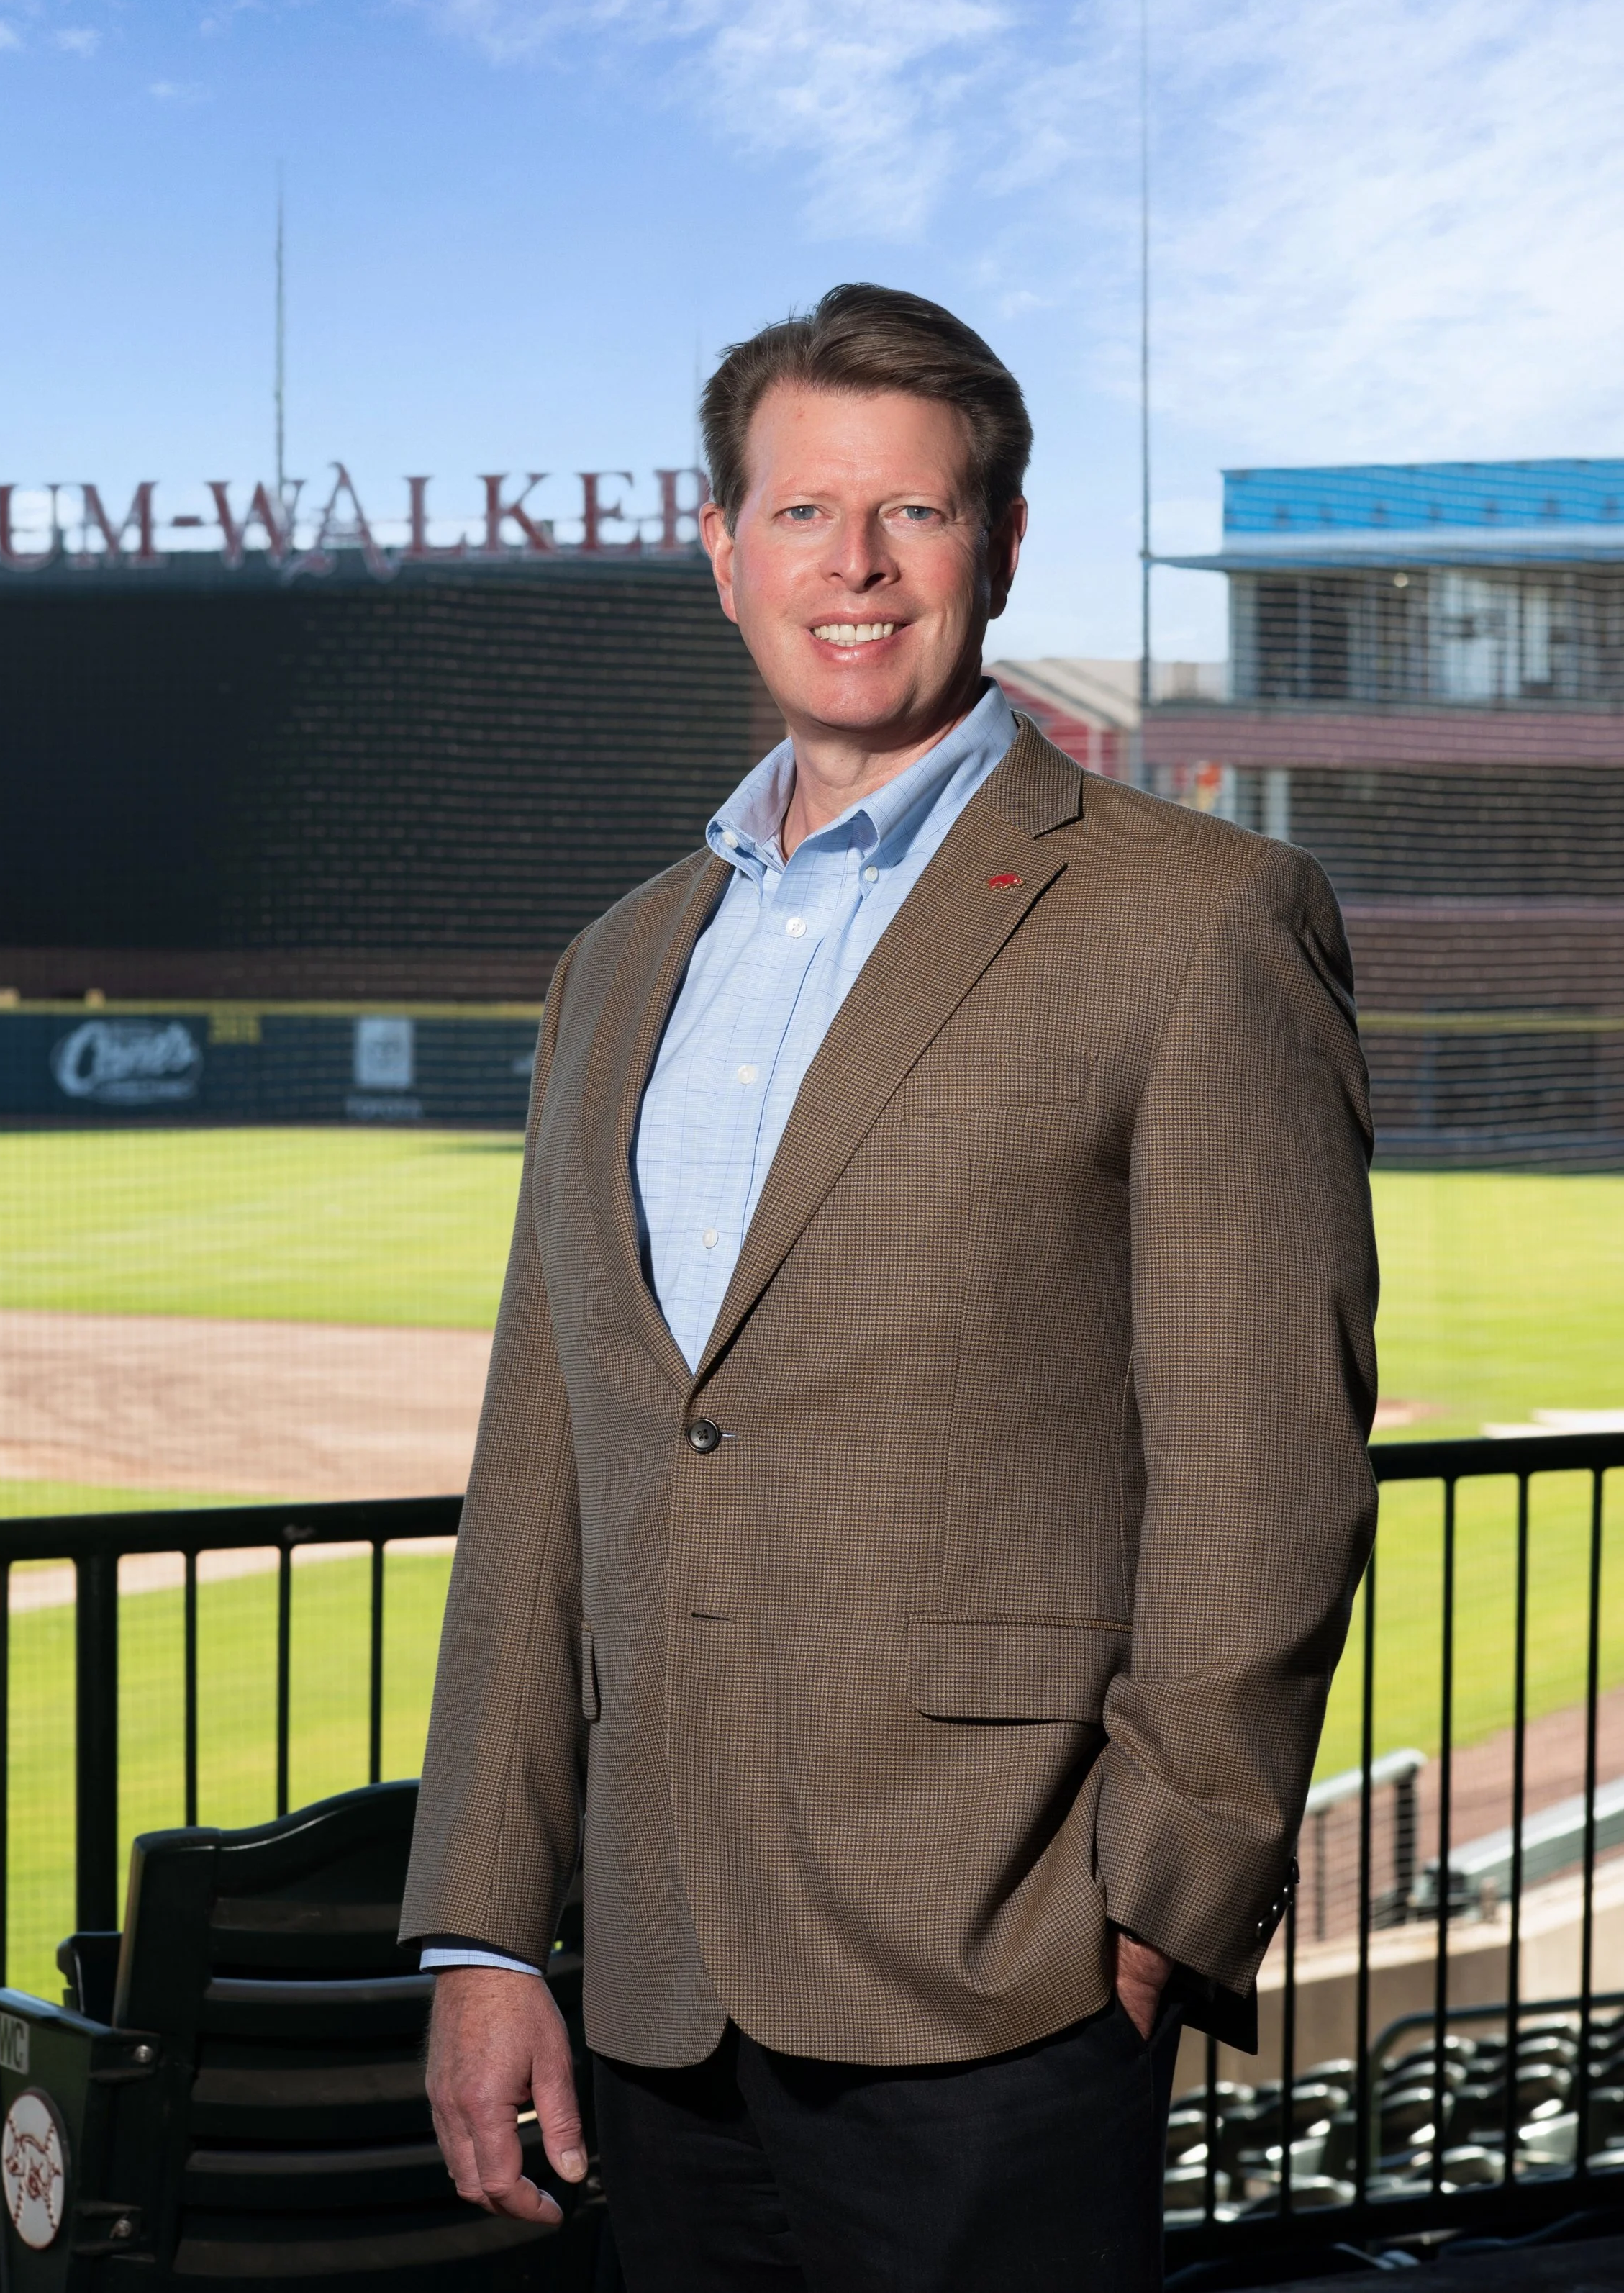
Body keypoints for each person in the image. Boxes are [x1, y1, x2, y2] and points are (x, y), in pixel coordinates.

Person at [402, 281, 1378, 2291]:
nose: (849, 567)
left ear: (998, 546)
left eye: (910, 516)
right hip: (658, 1996)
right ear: (722, 551)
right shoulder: (614, 967)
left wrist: (1151, 1907)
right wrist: (492, 1932)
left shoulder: (1193, 920)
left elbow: (1261, 1459)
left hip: (999, 1977)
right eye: (798, 512)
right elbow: (546, 1471)